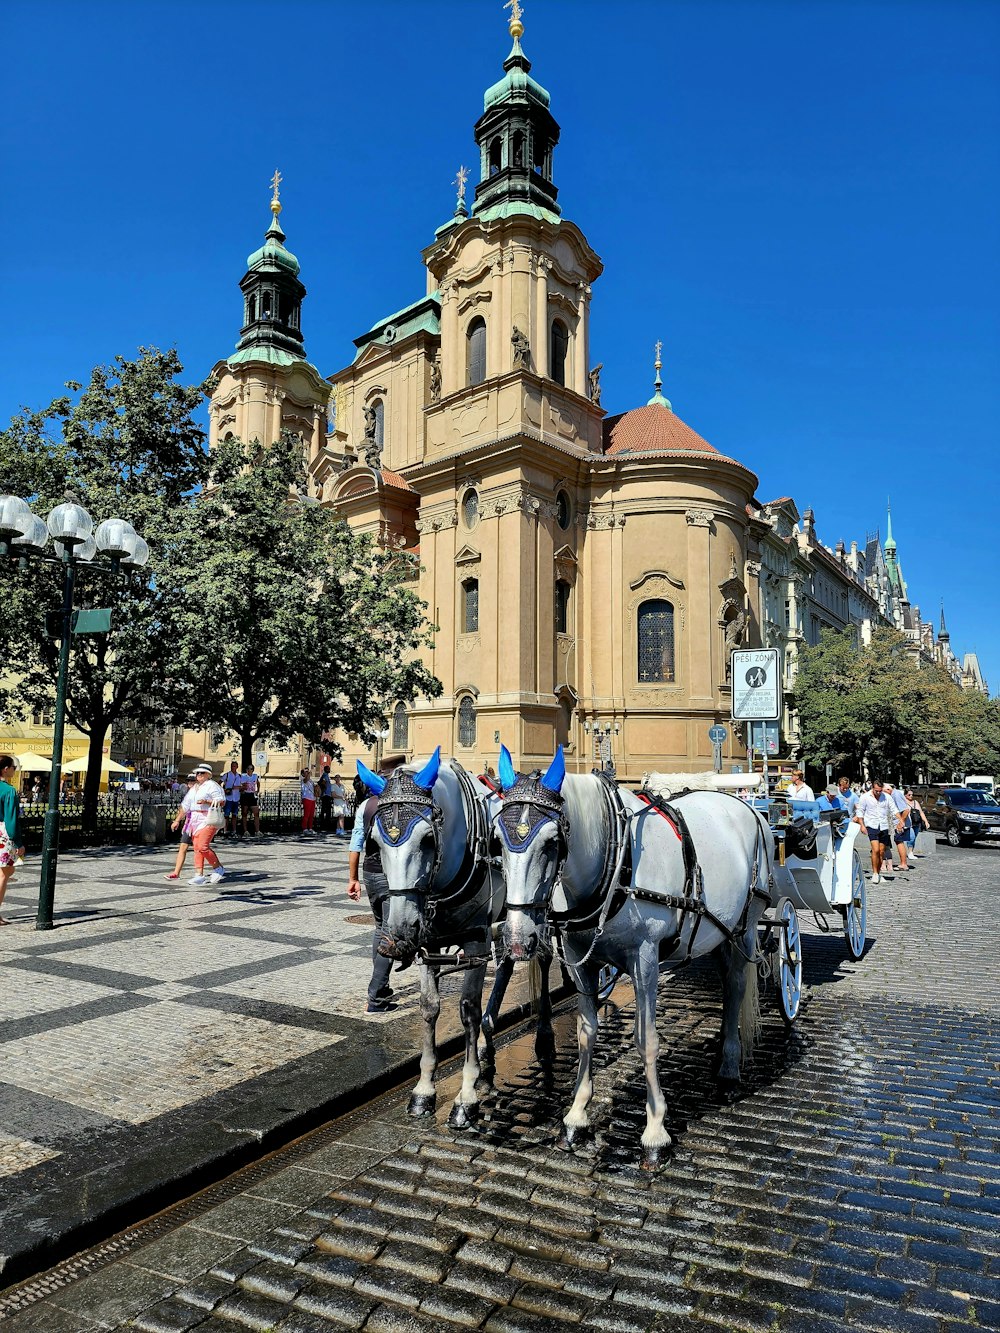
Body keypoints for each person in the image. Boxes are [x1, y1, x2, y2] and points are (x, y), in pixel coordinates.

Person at [348, 756, 405, 1013]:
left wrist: (353, 879)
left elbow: (355, 845)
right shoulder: (402, 803)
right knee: (390, 934)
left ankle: (381, 988)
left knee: (380, 929)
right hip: (392, 876)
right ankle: (376, 998)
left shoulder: (365, 806)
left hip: (370, 873)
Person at [855, 779, 905, 884]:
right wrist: (862, 825)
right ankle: (874, 873)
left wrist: (900, 820)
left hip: (883, 826)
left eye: (879, 791)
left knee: (882, 852)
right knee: (875, 850)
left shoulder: (886, 797)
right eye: (876, 790)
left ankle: (878, 873)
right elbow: (860, 811)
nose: (878, 793)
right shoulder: (865, 797)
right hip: (871, 825)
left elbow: (894, 809)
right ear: (873, 788)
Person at [187, 764, 227, 885]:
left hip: (208, 818)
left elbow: (222, 801)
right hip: (196, 818)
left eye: (201, 773)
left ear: (208, 775)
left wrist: (207, 801)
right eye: (197, 773)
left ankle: (218, 867)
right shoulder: (197, 787)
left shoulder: (212, 786)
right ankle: (199, 874)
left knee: (203, 846)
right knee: (197, 848)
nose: (198, 775)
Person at [0, 755, 26, 925]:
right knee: (4, 873)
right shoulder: (9, 791)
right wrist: (18, 842)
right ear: (5, 769)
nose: (15, 771)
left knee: (7, 872)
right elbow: (11, 820)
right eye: (13, 767)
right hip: (3, 834)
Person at [165, 773, 198, 880]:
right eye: (188, 781)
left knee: (201, 849)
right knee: (182, 847)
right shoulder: (188, 794)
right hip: (189, 824)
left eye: (192, 781)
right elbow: (183, 809)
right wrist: (177, 821)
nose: (190, 784)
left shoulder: (202, 792)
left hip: (200, 824)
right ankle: (176, 872)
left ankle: (202, 872)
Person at [884, 783, 912, 872]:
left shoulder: (895, 795)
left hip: (901, 823)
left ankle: (903, 864)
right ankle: (903, 863)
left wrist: (901, 822)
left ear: (888, 790)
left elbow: (906, 810)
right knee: (898, 841)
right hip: (899, 822)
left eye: (884, 791)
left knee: (899, 841)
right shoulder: (894, 794)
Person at [905, 788, 930, 856]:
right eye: (909, 795)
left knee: (914, 838)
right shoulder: (903, 802)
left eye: (912, 795)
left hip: (916, 822)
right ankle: (910, 852)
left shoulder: (915, 802)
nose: (911, 796)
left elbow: (921, 812)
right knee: (911, 837)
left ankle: (911, 851)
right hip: (908, 823)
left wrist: (926, 821)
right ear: (905, 795)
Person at [222, 760, 244, 839]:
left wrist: (237, 788)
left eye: (234, 766)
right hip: (228, 798)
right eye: (232, 766)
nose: (233, 767)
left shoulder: (240, 776)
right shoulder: (227, 775)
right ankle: (225, 830)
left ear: (237, 767)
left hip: (236, 797)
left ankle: (234, 830)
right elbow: (220, 782)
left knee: (234, 815)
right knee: (226, 815)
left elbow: (244, 786)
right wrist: (223, 790)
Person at [240, 763, 261, 838]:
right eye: (248, 769)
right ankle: (245, 831)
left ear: (253, 770)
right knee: (244, 813)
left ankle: (257, 831)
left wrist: (257, 790)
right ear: (246, 770)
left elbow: (258, 783)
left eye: (251, 769)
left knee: (256, 813)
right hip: (245, 795)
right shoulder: (243, 776)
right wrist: (243, 788)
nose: (249, 770)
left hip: (252, 795)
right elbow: (241, 785)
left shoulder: (255, 776)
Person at [300, 768, 317, 836]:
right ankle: (304, 828)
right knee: (306, 814)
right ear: (303, 774)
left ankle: (310, 828)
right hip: (306, 798)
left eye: (307, 772)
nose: (307, 773)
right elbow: (306, 779)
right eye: (305, 772)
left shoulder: (311, 781)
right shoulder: (303, 780)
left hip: (312, 798)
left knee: (311, 815)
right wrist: (308, 773)